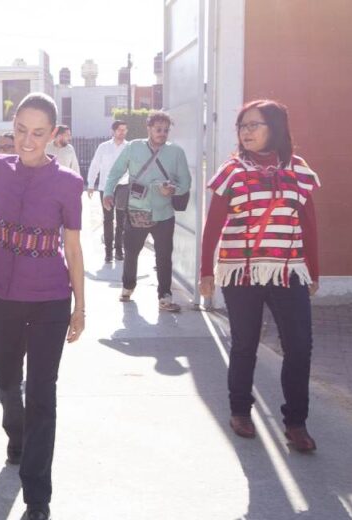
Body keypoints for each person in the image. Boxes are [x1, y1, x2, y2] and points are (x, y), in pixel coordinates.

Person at [0, 93, 85, 520]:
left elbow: (73, 247)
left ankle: (38, 495)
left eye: (39, 133)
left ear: (54, 135)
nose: (28, 141)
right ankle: (16, 434)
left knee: (43, 393)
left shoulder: (68, 183)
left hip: (50, 300)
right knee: (7, 382)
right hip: (3, 296)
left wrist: (81, 305)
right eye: (21, 130)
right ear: (13, 127)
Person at [199, 99, 321, 453]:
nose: (246, 132)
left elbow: (308, 224)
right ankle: (240, 410)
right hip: (242, 272)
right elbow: (213, 226)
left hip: (289, 271)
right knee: (244, 344)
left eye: (255, 124)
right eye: (242, 126)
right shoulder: (231, 172)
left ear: (276, 128)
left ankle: (296, 423)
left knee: (300, 347)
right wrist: (207, 270)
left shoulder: (298, 170)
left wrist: (313, 269)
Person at [103, 110, 190, 312]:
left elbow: (185, 182)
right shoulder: (134, 147)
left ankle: (165, 296)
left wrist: (173, 189)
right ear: (149, 128)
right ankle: (128, 285)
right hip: (136, 210)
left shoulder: (176, 152)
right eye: (158, 129)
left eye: (166, 130)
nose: (162, 133)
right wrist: (108, 192)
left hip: (164, 213)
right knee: (131, 252)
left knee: (164, 255)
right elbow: (116, 172)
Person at [87, 120, 130, 262]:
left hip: (123, 186)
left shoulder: (129, 147)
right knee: (107, 219)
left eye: (124, 130)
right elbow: (95, 165)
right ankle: (108, 253)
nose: (122, 133)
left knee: (121, 219)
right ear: (113, 131)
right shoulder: (103, 147)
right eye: (120, 130)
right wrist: (91, 183)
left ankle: (119, 250)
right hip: (106, 188)